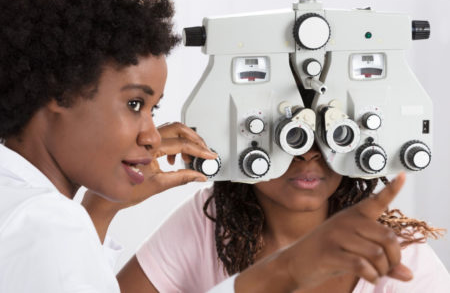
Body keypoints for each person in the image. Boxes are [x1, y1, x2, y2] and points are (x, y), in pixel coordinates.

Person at [0, 0, 218, 292]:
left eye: (152, 110)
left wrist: (99, 211)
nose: (153, 137)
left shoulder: (19, 204)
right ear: (60, 91)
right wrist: (276, 273)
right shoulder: (49, 224)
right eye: (134, 104)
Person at [117, 145, 450, 293]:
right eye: (289, 133)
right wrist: (104, 205)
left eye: (326, 131)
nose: (308, 152)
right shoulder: (209, 220)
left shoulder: (403, 256)